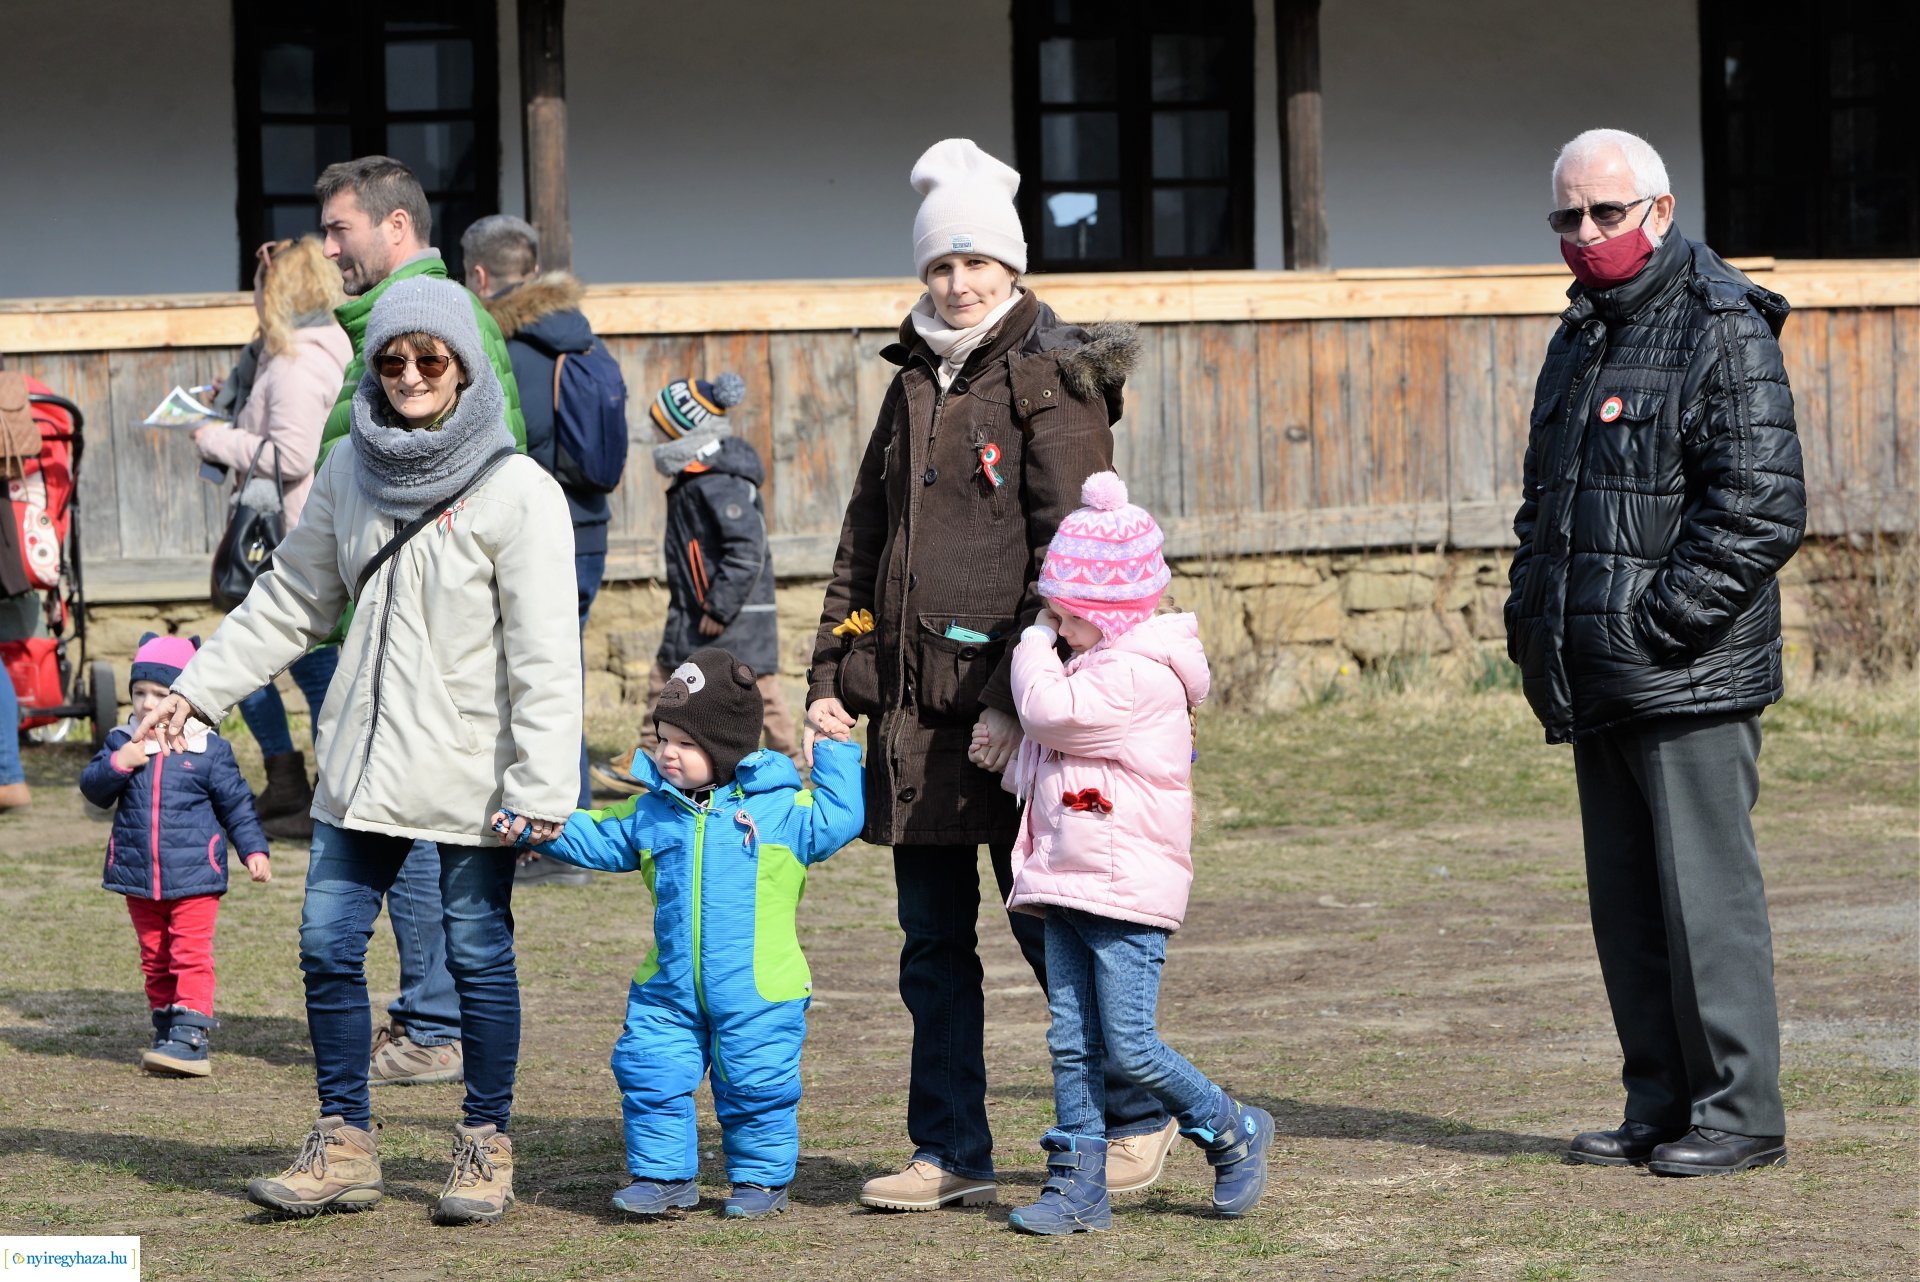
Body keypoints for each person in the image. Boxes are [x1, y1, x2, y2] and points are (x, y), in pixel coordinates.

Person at [133, 277, 581, 1224]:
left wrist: (543, 785)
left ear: (462, 366)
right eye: (392, 360)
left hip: (473, 777)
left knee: (476, 955)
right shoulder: (346, 470)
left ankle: (484, 1143)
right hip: (361, 767)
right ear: (372, 371)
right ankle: (343, 1142)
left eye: (430, 359)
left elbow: (547, 653)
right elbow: (291, 600)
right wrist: (195, 693)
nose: (411, 375)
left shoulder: (518, 491)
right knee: (327, 949)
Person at [805, 138, 1172, 1212]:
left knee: (1050, 930)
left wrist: (1024, 701)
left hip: (1016, 723)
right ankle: (950, 1145)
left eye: (976, 262)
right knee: (931, 945)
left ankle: (1135, 1113)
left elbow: (1082, 564)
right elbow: (862, 535)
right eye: (940, 265)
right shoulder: (911, 379)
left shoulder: (1051, 378)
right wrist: (834, 666)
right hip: (915, 716)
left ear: (1011, 266)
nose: (957, 283)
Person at [1505, 128, 1806, 1177]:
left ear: (1662, 212)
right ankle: (1661, 1103)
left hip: (1688, 677)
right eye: (1568, 218)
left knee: (1707, 905)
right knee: (1628, 908)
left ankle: (1741, 1111)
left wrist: (1654, 628)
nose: (1586, 235)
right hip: (1595, 674)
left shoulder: (1724, 326)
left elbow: (1760, 511)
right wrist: (1532, 614)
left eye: (1607, 213)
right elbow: (1549, 504)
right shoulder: (1580, 334)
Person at [993, 473, 1272, 1233]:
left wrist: (1029, 641)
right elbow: (1061, 764)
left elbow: (1050, 713)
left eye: (1068, 612)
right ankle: (1077, 1186)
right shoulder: (1096, 664)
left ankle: (1233, 1126)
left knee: (1131, 1045)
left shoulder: (1136, 676)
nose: (1057, 623)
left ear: (1108, 614)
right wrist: (1011, 755)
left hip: (1124, 890)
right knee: (1071, 1043)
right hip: (1070, 878)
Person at [496, 648, 864, 1220]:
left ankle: (761, 1181)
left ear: (727, 750)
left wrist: (836, 751)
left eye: (687, 745)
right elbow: (598, 836)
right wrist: (535, 829)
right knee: (650, 1073)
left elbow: (841, 815)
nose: (668, 753)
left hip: (759, 990)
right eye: (664, 738)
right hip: (668, 987)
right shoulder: (653, 813)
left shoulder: (781, 812)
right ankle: (662, 1177)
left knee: (757, 1084)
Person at [314, 156, 532, 1086]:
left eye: (340, 229)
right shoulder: (389, 329)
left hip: (428, 650)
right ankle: (417, 1031)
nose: (329, 248)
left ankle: (434, 1023)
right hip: (373, 624)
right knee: (360, 873)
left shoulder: (445, 321)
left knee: (418, 846)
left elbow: (488, 482)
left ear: (395, 229)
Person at [464, 213, 628, 864]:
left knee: (519, 681)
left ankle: (544, 836)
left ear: (478, 276)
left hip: (525, 537)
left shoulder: (496, 349)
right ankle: (570, 829)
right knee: (563, 673)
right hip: (587, 532)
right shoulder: (585, 340)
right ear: (530, 271)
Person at [191, 236, 350, 839]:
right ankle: (301, 787)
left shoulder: (297, 361)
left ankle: (300, 789)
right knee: (309, 666)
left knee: (250, 659)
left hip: (286, 533)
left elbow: (290, 453)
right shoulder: (321, 346)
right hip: (303, 529)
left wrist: (213, 439)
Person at [78, 633, 271, 1078]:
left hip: (195, 878)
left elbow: (237, 805)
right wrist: (118, 763)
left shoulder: (209, 751)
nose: (148, 704)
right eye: (139, 692)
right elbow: (93, 790)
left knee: (189, 952)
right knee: (154, 955)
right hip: (137, 877)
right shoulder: (121, 740)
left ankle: (191, 1037)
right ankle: (166, 1028)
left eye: (160, 694)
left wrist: (253, 848)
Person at [644, 373, 794, 760]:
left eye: (662, 430)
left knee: (757, 687)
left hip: (732, 612)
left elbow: (747, 547)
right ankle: (646, 760)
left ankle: (796, 767)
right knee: (665, 678)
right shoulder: (693, 477)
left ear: (683, 431)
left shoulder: (718, 481)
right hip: (694, 609)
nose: (656, 438)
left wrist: (718, 605)